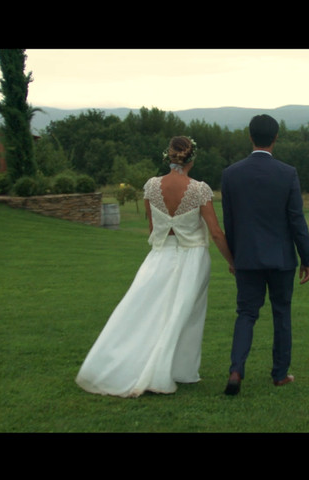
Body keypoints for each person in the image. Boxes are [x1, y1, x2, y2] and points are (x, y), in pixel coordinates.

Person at [76, 136, 234, 398]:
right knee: (185, 315)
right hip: (192, 258)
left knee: (146, 310)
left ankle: (161, 367)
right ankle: (168, 370)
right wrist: (233, 262)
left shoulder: (151, 186)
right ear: (191, 158)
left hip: (159, 255)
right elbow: (216, 232)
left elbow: (152, 227)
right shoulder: (200, 189)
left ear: (168, 157)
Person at [221, 114, 309, 396]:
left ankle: (236, 371)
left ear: (250, 136)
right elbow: (296, 219)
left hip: (247, 257)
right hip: (282, 259)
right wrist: (306, 258)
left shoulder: (230, 174)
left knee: (246, 314)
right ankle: (280, 374)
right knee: (281, 313)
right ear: (275, 138)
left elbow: (230, 222)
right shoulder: (287, 174)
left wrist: (234, 258)